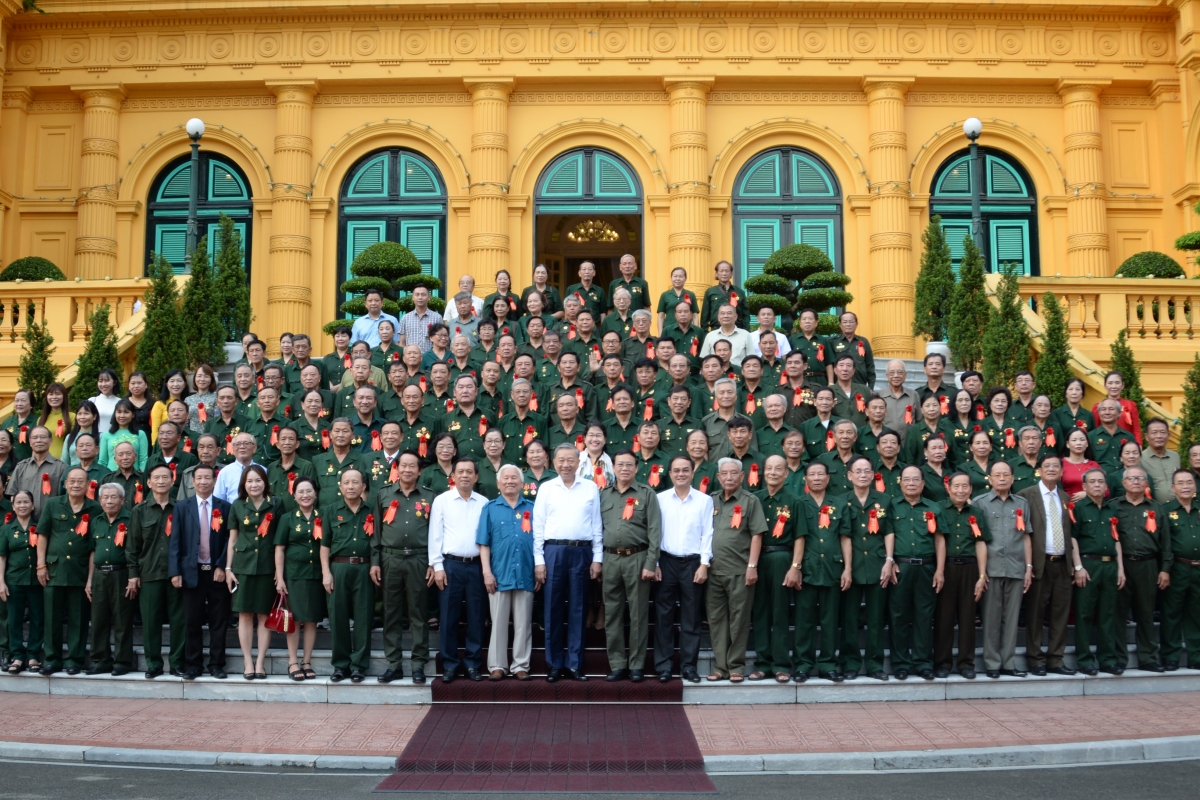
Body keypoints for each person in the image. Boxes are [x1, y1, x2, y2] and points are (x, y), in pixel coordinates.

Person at [533, 443, 603, 681]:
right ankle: (553, 664)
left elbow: (596, 525)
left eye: (571, 460)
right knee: (552, 608)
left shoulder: (590, 488)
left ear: (578, 462)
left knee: (578, 607)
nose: (566, 464)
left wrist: (597, 558)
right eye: (561, 460)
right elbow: (538, 527)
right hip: (553, 551)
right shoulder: (546, 488)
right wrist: (539, 561)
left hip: (581, 552)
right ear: (553, 463)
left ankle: (574, 663)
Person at [372, 451, 437, 684]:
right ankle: (394, 664)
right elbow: (376, 533)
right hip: (390, 559)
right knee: (391, 613)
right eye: (403, 466)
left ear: (420, 471)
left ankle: (418, 664)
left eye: (413, 466)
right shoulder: (383, 494)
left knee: (418, 613)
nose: (407, 470)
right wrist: (375, 563)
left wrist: (433, 562)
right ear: (396, 469)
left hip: (419, 559)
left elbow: (435, 533)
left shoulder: (430, 497)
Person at [598, 451, 662, 682]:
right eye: (620, 464)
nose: (624, 468)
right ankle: (617, 664)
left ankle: (636, 665)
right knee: (612, 613)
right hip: (610, 559)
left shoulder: (646, 494)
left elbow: (655, 531)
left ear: (637, 468)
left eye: (629, 465)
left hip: (638, 557)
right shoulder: (603, 495)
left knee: (638, 613)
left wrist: (651, 563)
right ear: (613, 468)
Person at [166, 463, 232, 680]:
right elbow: (175, 541)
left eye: (207, 478)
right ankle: (193, 664)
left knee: (218, 621)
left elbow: (228, 541)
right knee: (191, 621)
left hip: (216, 572)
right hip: (190, 572)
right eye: (199, 478)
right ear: (192, 481)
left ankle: (216, 664)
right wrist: (175, 571)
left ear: (214, 481)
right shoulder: (182, 507)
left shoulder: (224, 507)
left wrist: (222, 565)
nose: (203, 481)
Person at [35, 467, 103, 675]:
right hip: (54, 570)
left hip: (79, 571)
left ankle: (74, 660)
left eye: (80, 481)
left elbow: (94, 546)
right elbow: (43, 535)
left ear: (88, 484)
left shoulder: (95, 509)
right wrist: (40, 565)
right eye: (72, 481)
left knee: (79, 618)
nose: (75, 485)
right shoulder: (53, 504)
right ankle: (52, 660)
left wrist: (90, 577)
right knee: (52, 619)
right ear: (65, 484)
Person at [706, 457, 766, 682]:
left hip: (740, 571)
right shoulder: (709, 501)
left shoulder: (750, 501)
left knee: (739, 620)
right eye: (724, 473)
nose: (729, 477)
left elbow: (757, 535)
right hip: (712, 571)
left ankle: (736, 666)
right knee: (716, 620)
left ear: (742, 477)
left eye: (734, 473)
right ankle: (720, 667)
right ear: (718, 477)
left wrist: (752, 566)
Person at [429, 457, 488, 682]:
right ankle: (450, 664)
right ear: (452, 476)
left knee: (476, 616)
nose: (464, 475)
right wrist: (437, 566)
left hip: (475, 566)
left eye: (469, 472)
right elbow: (435, 535)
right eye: (460, 471)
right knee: (449, 617)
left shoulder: (484, 503)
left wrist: (486, 568)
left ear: (476, 477)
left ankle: (473, 664)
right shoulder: (442, 501)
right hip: (449, 565)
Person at [477, 464, 538, 680]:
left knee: (523, 622)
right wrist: (486, 572)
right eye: (506, 478)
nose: (510, 481)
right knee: (499, 622)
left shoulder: (532, 507)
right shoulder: (490, 508)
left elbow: (539, 542)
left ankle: (520, 665)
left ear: (522, 483)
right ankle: (497, 665)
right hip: (499, 573)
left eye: (515, 478)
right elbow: (484, 543)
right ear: (498, 483)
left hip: (526, 572)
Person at [655, 456, 713, 683]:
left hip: (693, 563)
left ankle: (689, 666)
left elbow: (708, 533)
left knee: (691, 617)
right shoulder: (659, 499)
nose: (681, 474)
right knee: (663, 616)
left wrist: (704, 564)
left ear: (692, 473)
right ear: (670, 474)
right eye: (676, 470)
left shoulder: (704, 500)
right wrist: (656, 564)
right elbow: (654, 533)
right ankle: (664, 666)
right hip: (666, 562)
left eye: (685, 470)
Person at [1017, 454, 1075, 676]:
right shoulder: (1026, 496)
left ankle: (1056, 659)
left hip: (1062, 563)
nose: (1052, 469)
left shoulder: (1065, 498)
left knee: (1060, 614)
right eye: (1047, 466)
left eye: (1056, 466)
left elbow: (1071, 533)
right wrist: (1028, 565)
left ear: (1061, 472)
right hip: (1039, 563)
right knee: (1035, 614)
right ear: (1039, 470)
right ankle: (1035, 659)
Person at [746, 455, 802, 683]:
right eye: (769, 468)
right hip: (758, 559)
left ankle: (781, 664)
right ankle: (763, 663)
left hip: (781, 558)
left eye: (778, 469)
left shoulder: (794, 500)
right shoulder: (754, 498)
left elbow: (799, 537)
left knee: (779, 612)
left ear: (786, 473)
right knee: (759, 612)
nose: (773, 472)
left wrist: (795, 567)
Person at [887, 465, 946, 681]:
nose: (911, 483)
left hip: (927, 568)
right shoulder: (891, 506)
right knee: (898, 616)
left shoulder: (934, 508)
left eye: (916, 480)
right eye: (907, 479)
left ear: (923, 483)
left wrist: (940, 570)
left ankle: (922, 662)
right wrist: (890, 560)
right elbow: (886, 535)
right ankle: (900, 663)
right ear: (900, 482)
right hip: (900, 568)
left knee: (924, 616)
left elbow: (939, 540)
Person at [1110, 466, 1170, 672]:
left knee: (1145, 613)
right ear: (1123, 482)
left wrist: (1165, 569)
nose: (1136, 481)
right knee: (1118, 614)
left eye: (1140, 478)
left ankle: (1148, 658)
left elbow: (1166, 543)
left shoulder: (1157, 508)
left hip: (1148, 565)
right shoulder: (1113, 507)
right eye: (1131, 478)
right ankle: (1119, 658)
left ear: (1146, 484)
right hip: (1122, 565)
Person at [840, 456, 895, 681]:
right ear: (849, 476)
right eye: (858, 471)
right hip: (851, 567)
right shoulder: (841, 501)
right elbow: (844, 535)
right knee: (850, 618)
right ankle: (850, 664)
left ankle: (875, 665)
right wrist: (847, 568)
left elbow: (889, 531)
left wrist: (889, 561)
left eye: (867, 471)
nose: (863, 475)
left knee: (875, 619)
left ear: (873, 475)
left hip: (877, 564)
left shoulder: (884, 500)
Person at [976, 461, 1033, 678]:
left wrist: (1028, 567)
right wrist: (981, 572)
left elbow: (1026, 535)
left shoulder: (1021, 503)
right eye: (997, 475)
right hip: (991, 568)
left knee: (1012, 618)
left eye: (1006, 474)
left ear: (1012, 478)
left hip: (1016, 566)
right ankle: (992, 664)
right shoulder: (980, 503)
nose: (1002, 478)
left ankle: (1008, 662)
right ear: (989, 478)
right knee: (991, 618)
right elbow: (978, 540)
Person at [321, 468, 377, 682]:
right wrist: (326, 573)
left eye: (356, 482)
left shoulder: (372, 511)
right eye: (346, 482)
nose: (351, 486)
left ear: (364, 486)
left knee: (363, 617)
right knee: (338, 618)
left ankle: (359, 666)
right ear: (340, 486)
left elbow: (376, 543)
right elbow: (324, 545)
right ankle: (340, 665)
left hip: (364, 568)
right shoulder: (331, 511)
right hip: (338, 568)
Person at [224, 464, 279, 680]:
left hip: (267, 566)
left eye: (258, 480)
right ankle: (248, 661)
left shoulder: (276, 504)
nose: (254, 485)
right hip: (243, 566)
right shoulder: (237, 505)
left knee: (264, 615)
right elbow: (232, 539)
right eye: (249, 481)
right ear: (243, 485)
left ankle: (261, 662)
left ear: (265, 482)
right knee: (245, 615)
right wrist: (228, 568)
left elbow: (280, 539)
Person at [1070, 468, 1126, 676]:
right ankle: (1085, 660)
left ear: (1106, 486)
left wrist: (1120, 568)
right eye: (1092, 482)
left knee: (1108, 614)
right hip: (1088, 564)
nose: (1097, 485)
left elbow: (1116, 539)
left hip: (1110, 565)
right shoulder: (1078, 508)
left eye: (1100, 481)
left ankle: (1107, 659)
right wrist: (1078, 567)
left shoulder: (1112, 509)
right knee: (1084, 614)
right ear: (1084, 486)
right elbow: (1072, 538)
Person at [933, 472, 989, 679]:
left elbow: (981, 543)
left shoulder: (976, 512)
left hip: (970, 568)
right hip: (946, 567)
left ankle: (966, 663)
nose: (960, 490)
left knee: (968, 618)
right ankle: (942, 663)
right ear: (949, 488)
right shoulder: (938, 509)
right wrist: (939, 571)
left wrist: (982, 576)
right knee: (943, 619)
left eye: (965, 486)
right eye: (956, 486)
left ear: (971, 489)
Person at [274, 477, 324, 681]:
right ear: (294, 496)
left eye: (309, 491)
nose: (305, 495)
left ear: (316, 494)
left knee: (311, 619)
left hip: (317, 575)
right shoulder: (287, 518)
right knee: (293, 619)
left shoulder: (323, 515)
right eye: (301, 491)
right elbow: (279, 549)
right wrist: (279, 577)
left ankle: (307, 661)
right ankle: (293, 661)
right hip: (294, 575)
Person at [86, 483, 135, 676]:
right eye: (105, 497)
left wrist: (133, 576)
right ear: (99, 500)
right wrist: (89, 579)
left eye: (114, 497)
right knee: (98, 619)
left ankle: (122, 662)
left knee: (122, 620)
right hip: (99, 574)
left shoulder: (131, 519)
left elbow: (134, 551)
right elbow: (92, 551)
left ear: (123, 500)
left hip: (121, 574)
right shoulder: (95, 521)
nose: (109, 501)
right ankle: (100, 661)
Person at [1160, 469, 1200, 671]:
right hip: (1177, 568)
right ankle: (1170, 656)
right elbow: (1164, 544)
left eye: (1189, 482)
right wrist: (1165, 569)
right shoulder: (1165, 511)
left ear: (1194, 486)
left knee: (1197, 614)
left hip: (1198, 569)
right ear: (1173, 487)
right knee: (1171, 614)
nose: (1185, 486)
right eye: (1181, 483)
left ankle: (1196, 656)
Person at [1, 491, 42, 674]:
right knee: (14, 619)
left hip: (36, 580)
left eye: (26, 502)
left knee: (37, 618)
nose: (22, 505)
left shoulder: (40, 526)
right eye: (19, 502)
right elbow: (2, 557)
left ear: (33, 505)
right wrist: (0, 582)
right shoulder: (6, 529)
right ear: (13, 506)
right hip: (13, 580)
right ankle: (17, 655)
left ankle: (33, 655)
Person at [8, 426, 66, 520]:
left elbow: (65, 497)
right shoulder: (21, 466)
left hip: (52, 520)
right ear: (30, 442)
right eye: (34, 438)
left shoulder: (61, 467)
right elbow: (12, 495)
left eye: (43, 437)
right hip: (26, 522)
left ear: (50, 441)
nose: (39, 440)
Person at [1092, 371, 1142, 446]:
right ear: (1105, 386)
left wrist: (1138, 447)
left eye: (1117, 383)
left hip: (1126, 446)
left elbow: (1136, 430)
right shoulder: (1098, 407)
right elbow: (1095, 429)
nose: (1114, 386)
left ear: (1122, 385)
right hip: (1104, 445)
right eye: (1110, 383)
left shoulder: (1131, 405)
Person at [98, 399, 149, 472]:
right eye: (119, 412)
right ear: (115, 414)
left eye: (126, 412)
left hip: (134, 479)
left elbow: (143, 460)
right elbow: (102, 461)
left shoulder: (140, 434)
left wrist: (142, 478)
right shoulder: (106, 435)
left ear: (133, 414)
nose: (122, 415)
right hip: (111, 479)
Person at [214, 432, 264, 505]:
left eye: (246, 443)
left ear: (254, 448)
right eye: (238, 444)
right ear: (233, 448)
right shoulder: (225, 472)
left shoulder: (263, 470)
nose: (242, 447)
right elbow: (218, 500)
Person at [827, 312, 874, 389]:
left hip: (860, 384)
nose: (848, 324)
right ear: (840, 325)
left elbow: (870, 366)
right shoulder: (832, 341)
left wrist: (871, 387)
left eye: (851, 322)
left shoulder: (863, 341)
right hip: (838, 386)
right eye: (845, 322)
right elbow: (829, 364)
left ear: (856, 324)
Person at [700, 260, 748, 331]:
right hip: (716, 329)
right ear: (716, 273)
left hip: (737, 329)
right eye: (721, 271)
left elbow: (746, 314)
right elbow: (705, 316)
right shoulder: (710, 292)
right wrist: (705, 332)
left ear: (731, 274)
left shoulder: (740, 292)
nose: (724, 273)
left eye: (727, 271)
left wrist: (746, 331)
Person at [1141, 418, 1180, 503]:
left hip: (1176, 507)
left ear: (1168, 435)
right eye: (1154, 433)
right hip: (1153, 510)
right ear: (1146, 437)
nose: (1159, 436)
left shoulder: (1175, 456)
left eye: (1162, 432)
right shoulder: (1140, 458)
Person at [399, 284, 443, 353]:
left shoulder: (437, 318)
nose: (420, 297)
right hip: (411, 358)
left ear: (429, 297)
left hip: (431, 359)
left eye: (423, 294)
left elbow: (441, 340)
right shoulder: (405, 318)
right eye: (417, 294)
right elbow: (402, 343)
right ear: (413, 298)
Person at [657, 267, 699, 332]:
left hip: (687, 331)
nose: (677, 279)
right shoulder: (665, 295)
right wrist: (660, 333)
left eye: (680, 276)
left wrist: (696, 332)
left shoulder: (691, 295)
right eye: (675, 276)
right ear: (671, 278)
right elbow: (661, 317)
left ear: (685, 279)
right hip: (669, 330)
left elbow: (695, 316)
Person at [38, 382, 73, 459]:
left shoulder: (72, 417)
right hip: (44, 461)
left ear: (64, 396)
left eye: (58, 394)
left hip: (65, 462)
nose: (54, 397)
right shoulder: (41, 419)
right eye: (51, 394)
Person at [90, 369, 122, 434]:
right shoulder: (92, 401)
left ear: (114, 382)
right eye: (100, 381)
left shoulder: (121, 402)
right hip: (95, 438)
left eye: (106, 380)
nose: (103, 384)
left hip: (114, 438)